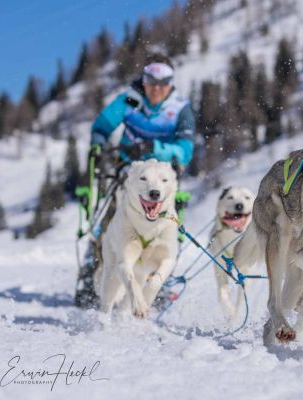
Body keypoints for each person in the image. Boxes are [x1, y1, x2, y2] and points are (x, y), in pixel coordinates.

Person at [75, 53, 195, 309]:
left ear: (171, 83)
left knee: (168, 229)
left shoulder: (179, 108)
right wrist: (98, 144)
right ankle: (91, 273)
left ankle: (158, 280)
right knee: (108, 224)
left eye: (163, 82)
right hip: (128, 174)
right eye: (151, 81)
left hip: (163, 179)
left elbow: (185, 150)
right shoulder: (130, 99)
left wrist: (154, 148)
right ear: (144, 79)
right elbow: (102, 126)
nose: (156, 88)